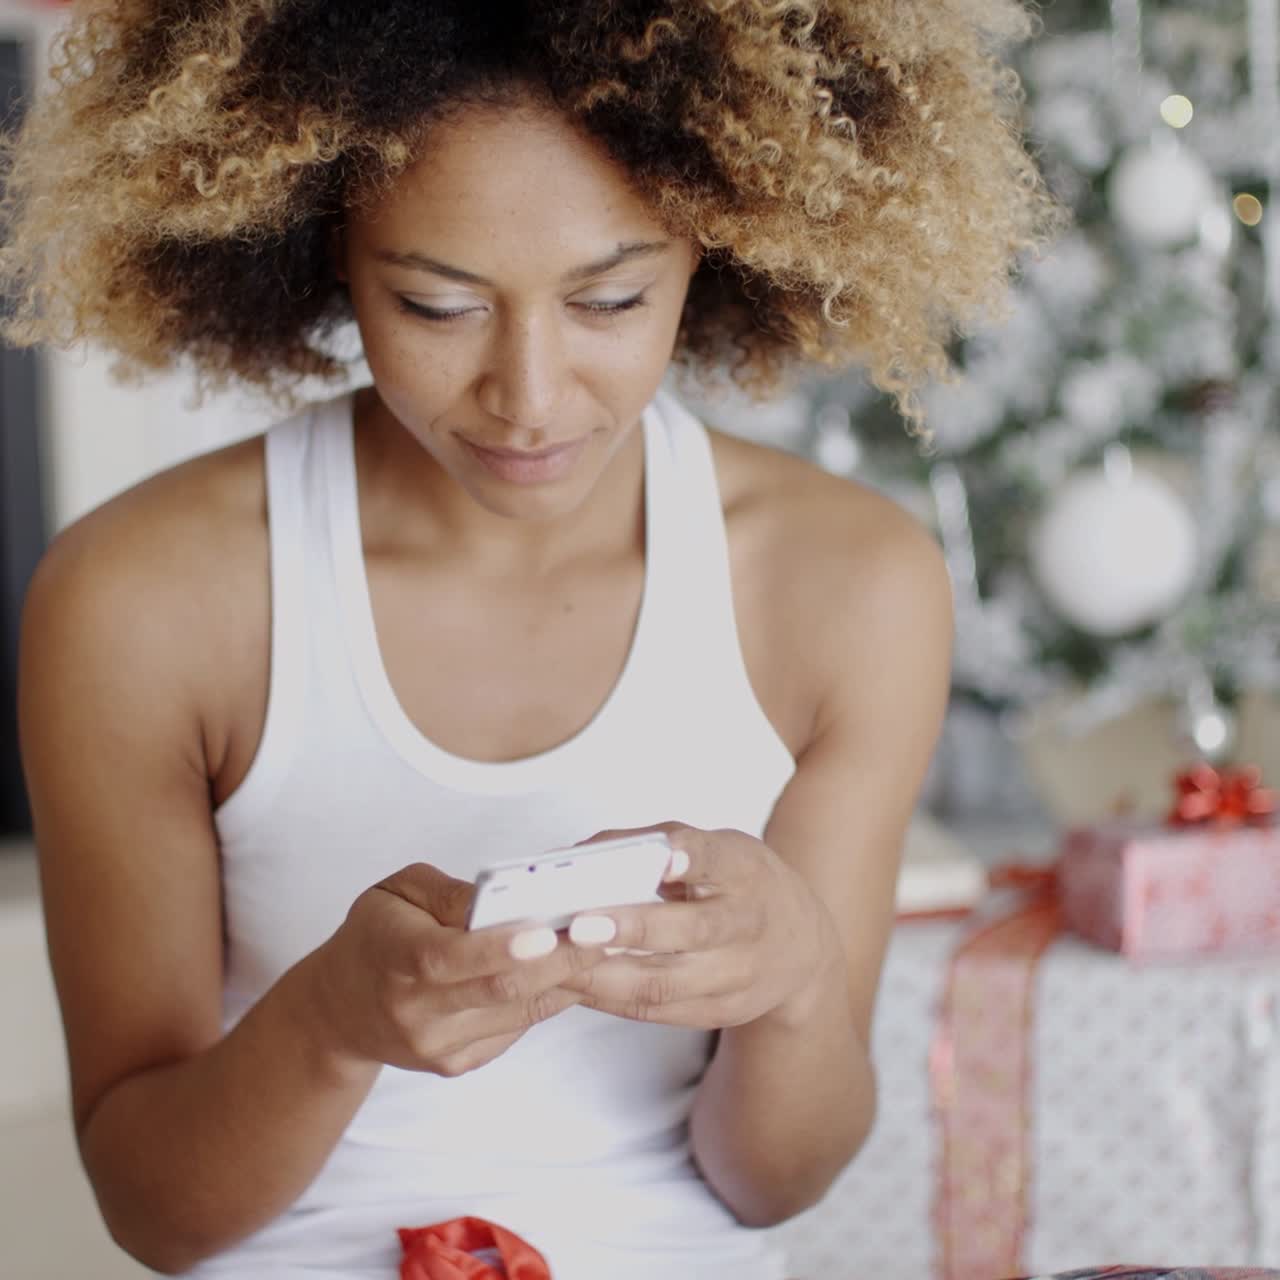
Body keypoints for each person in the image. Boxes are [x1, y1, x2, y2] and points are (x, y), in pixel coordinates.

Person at [1, 2, 1058, 1277]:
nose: (531, 394)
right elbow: (154, 1209)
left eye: (609, 297)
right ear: (323, 246)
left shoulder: (846, 586)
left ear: (716, 247)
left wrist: (790, 982)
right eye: (437, 306)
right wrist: (332, 1022)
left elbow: (774, 1180)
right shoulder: (142, 597)